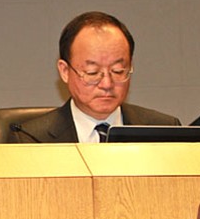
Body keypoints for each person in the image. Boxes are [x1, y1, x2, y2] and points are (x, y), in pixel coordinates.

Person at [9, 11, 180, 143]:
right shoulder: (29, 139)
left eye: (118, 71)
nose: (107, 84)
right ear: (65, 71)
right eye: (92, 73)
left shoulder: (164, 131)